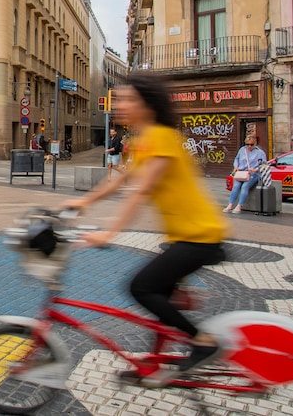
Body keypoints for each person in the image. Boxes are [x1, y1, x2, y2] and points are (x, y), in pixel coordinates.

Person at [62, 71, 228, 387]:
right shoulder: (144, 140)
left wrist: (107, 233)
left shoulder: (161, 137)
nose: (120, 104)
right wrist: (82, 203)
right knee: (159, 296)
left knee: (141, 288)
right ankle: (152, 366)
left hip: (199, 236)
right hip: (183, 236)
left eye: (127, 99)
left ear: (147, 105)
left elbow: (140, 191)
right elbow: (122, 180)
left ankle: (204, 344)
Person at [223, 135, 268, 214]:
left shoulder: (260, 153)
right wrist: (236, 166)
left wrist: (255, 169)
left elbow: (264, 165)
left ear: (255, 143)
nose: (249, 146)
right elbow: (237, 159)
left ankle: (239, 206)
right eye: (247, 144)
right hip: (241, 172)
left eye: (251, 145)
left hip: (253, 174)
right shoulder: (242, 150)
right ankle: (230, 205)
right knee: (236, 186)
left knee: (245, 186)